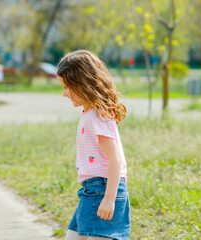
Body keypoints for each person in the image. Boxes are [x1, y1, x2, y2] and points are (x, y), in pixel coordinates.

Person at [57, 50, 130, 240]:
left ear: (83, 84)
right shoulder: (90, 112)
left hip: (103, 189)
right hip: (91, 190)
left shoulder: (98, 114)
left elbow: (115, 158)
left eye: (67, 87)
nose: (64, 94)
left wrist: (109, 198)